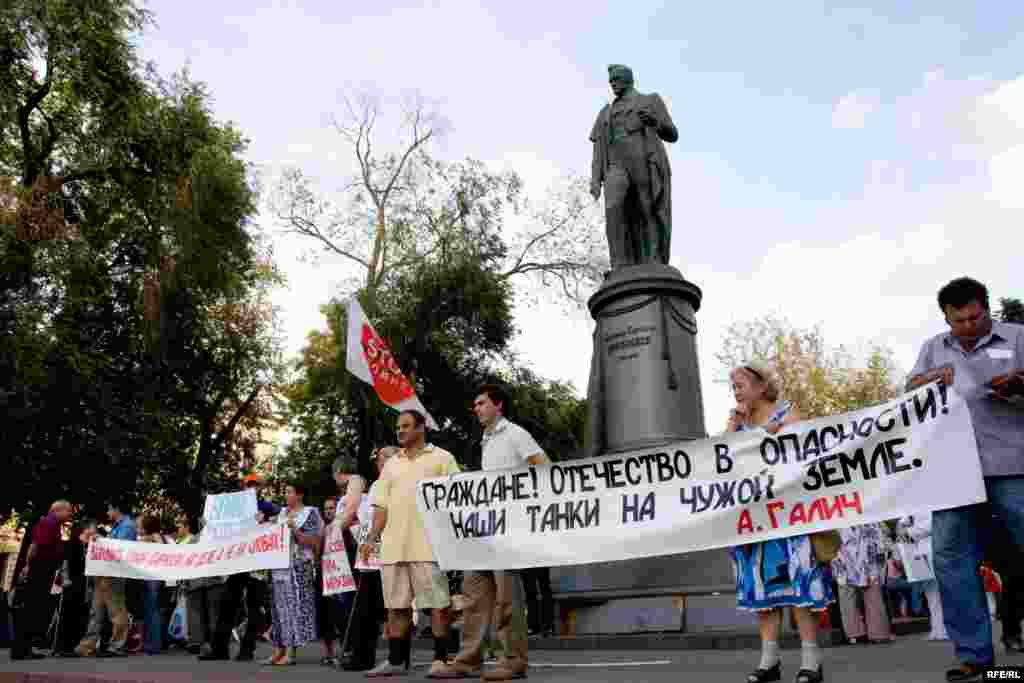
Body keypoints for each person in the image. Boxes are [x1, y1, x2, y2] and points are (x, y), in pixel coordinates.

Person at [905, 277, 1024, 683]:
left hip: (1013, 464)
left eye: (976, 317)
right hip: (953, 472)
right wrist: (925, 381)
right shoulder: (933, 349)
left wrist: (1018, 384)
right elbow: (909, 397)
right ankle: (974, 656)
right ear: (946, 318)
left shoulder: (1018, 337)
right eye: (959, 321)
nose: (970, 327)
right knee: (951, 559)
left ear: (987, 309)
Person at [726, 362, 832, 683]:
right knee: (763, 592)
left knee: (799, 586)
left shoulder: (787, 413)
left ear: (761, 386)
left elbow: (797, 452)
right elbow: (720, 460)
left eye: (741, 384)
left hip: (790, 517)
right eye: (733, 387)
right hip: (754, 521)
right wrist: (733, 427)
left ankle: (811, 661)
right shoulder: (739, 422)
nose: (736, 392)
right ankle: (769, 661)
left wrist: (759, 435)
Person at [435, 384, 549, 680]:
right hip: (482, 529)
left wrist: (525, 506)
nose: (476, 408)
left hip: (508, 529)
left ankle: (513, 660)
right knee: (474, 595)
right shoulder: (484, 440)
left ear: (498, 405)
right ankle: (468, 660)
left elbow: (544, 467)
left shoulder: (516, 434)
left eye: (481, 403)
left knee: (507, 597)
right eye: (475, 404)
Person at [361, 410, 461, 678]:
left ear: (421, 428)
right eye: (398, 427)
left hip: (429, 546)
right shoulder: (391, 464)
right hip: (394, 548)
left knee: (439, 604)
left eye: (406, 426)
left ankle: (441, 659)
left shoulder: (442, 458)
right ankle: (396, 661)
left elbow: (458, 498)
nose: (400, 431)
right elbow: (381, 506)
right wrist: (372, 537)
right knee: (396, 606)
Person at [589, 64, 678, 267]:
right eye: (611, 81)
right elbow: (597, 150)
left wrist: (655, 122)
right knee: (613, 207)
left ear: (628, 79)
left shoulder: (649, 100)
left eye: (616, 79)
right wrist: (595, 179)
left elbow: (672, 134)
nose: (613, 84)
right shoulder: (606, 112)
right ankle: (620, 264)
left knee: (646, 208)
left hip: (643, 160)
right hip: (615, 165)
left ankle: (653, 259)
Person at [199, 474, 280, 662]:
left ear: (260, 488)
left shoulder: (266, 506)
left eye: (255, 485)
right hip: (237, 562)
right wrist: (208, 525)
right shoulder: (233, 508)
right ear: (244, 487)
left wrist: (267, 519)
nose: (252, 488)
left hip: (256, 564)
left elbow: (281, 518)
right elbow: (218, 526)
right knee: (227, 603)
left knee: (253, 607)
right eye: (248, 485)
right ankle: (219, 649)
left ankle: (247, 649)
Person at [342, 446, 396, 672]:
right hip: (370, 554)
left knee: (390, 607)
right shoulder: (375, 485)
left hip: (389, 550)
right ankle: (362, 655)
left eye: (385, 457)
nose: (379, 461)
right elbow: (366, 516)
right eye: (378, 458)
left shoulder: (396, 483)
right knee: (365, 606)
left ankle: (393, 657)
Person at [265, 481, 322, 666]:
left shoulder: (310, 513)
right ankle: (278, 649)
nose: (286, 495)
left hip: (298, 567)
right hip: (278, 567)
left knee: (293, 609)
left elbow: (314, 542)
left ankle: (290, 652)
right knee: (277, 608)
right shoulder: (280, 513)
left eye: (289, 492)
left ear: (300, 494)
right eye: (285, 492)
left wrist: (295, 530)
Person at [12, 500, 72, 660]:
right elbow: (35, 546)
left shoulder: (53, 525)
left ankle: (24, 648)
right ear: (57, 510)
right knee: (31, 609)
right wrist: (28, 566)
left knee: (34, 610)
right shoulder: (48, 523)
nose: (70, 514)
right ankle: (21, 649)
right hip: (39, 570)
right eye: (68, 511)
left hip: (43, 570)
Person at [75, 501, 136, 657]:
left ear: (117, 509)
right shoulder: (119, 526)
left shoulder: (127, 526)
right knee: (97, 612)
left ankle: (117, 646)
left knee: (116, 611)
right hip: (104, 574)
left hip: (113, 574)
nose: (108, 513)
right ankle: (87, 646)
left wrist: (100, 539)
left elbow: (119, 549)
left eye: (109, 509)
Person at [830, 523, 893, 645]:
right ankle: (877, 633)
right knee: (871, 592)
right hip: (863, 543)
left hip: (843, 545)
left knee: (848, 594)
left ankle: (855, 634)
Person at [898, 513, 949, 641]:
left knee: (944, 592)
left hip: (936, 547)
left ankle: (945, 628)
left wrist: (909, 532)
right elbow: (902, 522)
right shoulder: (913, 504)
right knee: (931, 593)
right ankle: (937, 629)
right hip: (919, 551)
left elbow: (934, 523)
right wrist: (903, 528)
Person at [317, 495, 353, 667]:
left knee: (343, 615)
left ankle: (346, 650)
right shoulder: (323, 528)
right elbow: (318, 552)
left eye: (332, 508)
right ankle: (328, 653)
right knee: (326, 616)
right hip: (326, 575)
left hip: (343, 577)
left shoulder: (346, 528)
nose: (328, 511)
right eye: (326, 509)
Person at [54, 519, 98, 657]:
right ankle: (62, 647)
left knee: (79, 615)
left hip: (84, 585)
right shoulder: (73, 543)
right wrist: (65, 578)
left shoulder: (89, 545)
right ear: (86, 529)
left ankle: (72, 646)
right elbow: (65, 562)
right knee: (68, 614)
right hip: (72, 584)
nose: (95, 529)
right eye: (93, 527)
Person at [138, 515, 167, 655]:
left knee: (152, 610)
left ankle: (153, 645)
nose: (138, 527)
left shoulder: (156, 536)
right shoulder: (148, 537)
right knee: (149, 610)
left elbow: (161, 548)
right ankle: (149, 643)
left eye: (140, 524)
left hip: (153, 577)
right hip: (147, 576)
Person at [521, 567, 555, 638]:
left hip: (535, 561)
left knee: (541, 592)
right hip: (528, 562)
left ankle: (543, 626)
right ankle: (538, 626)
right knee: (534, 592)